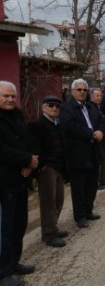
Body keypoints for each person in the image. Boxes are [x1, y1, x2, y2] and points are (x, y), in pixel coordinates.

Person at [0, 81, 38, 286]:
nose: (10, 99)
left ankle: (13, 263)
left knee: (19, 225)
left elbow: (28, 141)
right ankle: (3, 272)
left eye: (13, 96)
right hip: (4, 182)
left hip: (21, 180)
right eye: (5, 96)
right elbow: (2, 150)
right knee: (5, 229)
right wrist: (26, 159)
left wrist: (31, 161)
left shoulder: (18, 116)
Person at [60, 79, 105, 229]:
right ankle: (79, 216)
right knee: (79, 188)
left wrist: (100, 131)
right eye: (79, 90)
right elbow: (70, 126)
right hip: (78, 154)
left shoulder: (91, 106)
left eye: (84, 90)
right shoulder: (67, 108)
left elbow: (101, 121)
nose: (82, 92)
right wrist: (91, 134)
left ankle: (88, 211)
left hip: (94, 152)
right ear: (72, 91)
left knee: (92, 185)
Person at [27, 95, 69, 248]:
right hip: (46, 168)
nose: (54, 108)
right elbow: (33, 147)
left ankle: (53, 228)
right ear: (43, 107)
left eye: (57, 106)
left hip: (59, 167)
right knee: (48, 202)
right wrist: (41, 166)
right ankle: (49, 235)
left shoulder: (58, 125)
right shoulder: (36, 125)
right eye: (51, 105)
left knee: (58, 200)